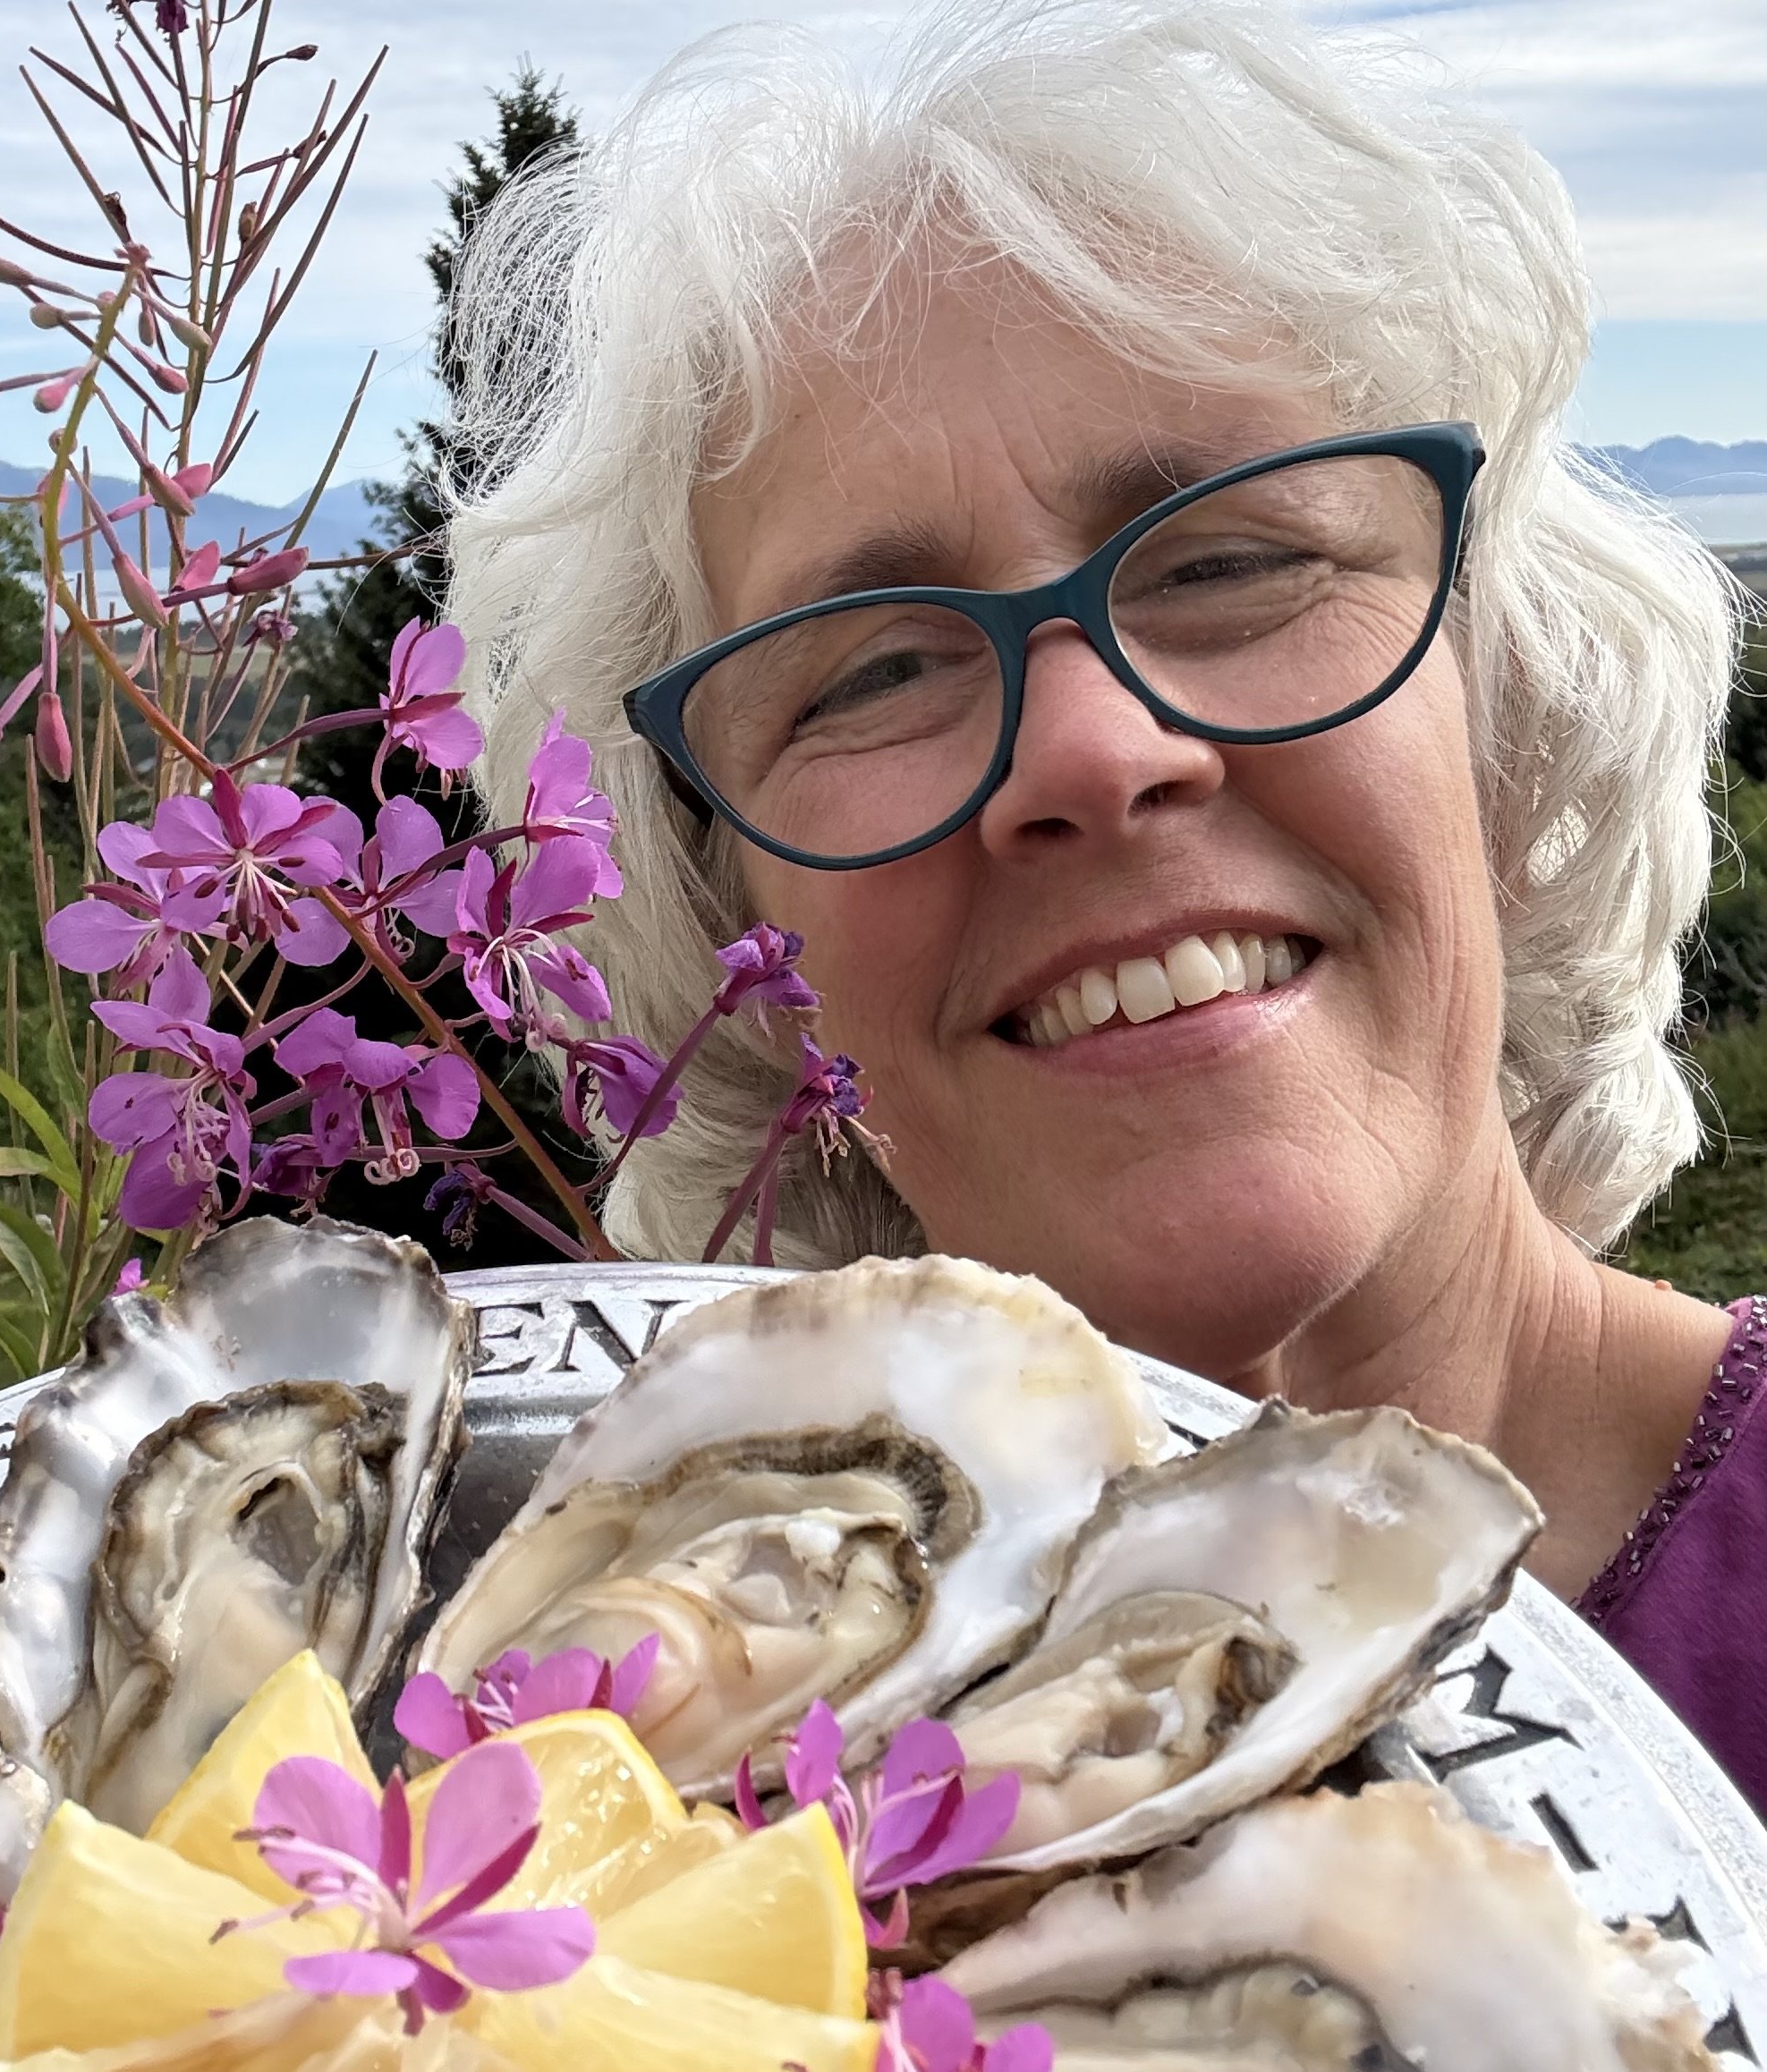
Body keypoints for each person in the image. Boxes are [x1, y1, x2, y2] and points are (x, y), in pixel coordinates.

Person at [438, 0, 1759, 1805]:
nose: (1093, 748)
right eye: (874, 670)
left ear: (1506, 701)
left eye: (1234, 561)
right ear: (724, 921)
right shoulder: (603, 1781)